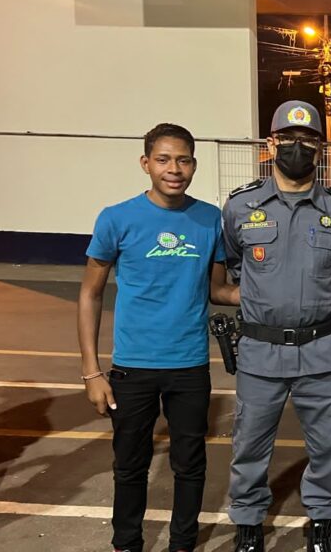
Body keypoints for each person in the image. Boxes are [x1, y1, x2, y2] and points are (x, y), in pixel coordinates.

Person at [78, 123, 239, 552]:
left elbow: (218, 290)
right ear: (145, 163)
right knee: (130, 466)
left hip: (190, 366)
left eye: (183, 160)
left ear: (194, 165)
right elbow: (90, 293)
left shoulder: (210, 219)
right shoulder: (116, 218)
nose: (174, 169)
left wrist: (273, 292)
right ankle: (126, 543)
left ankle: (182, 544)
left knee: (190, 464)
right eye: (164, 159)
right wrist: (92, 372)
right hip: (132, 368)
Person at [222, 100, 331, 552]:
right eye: (287, 138)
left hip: (321, 350)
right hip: (259, 352)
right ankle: (248, 524)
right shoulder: (240, 207)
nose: (297, 147)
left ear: (321, 148)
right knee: (249, 444)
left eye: (308, 140)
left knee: (328, 446)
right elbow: (233, 268)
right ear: (271, 144)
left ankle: (321, 522)